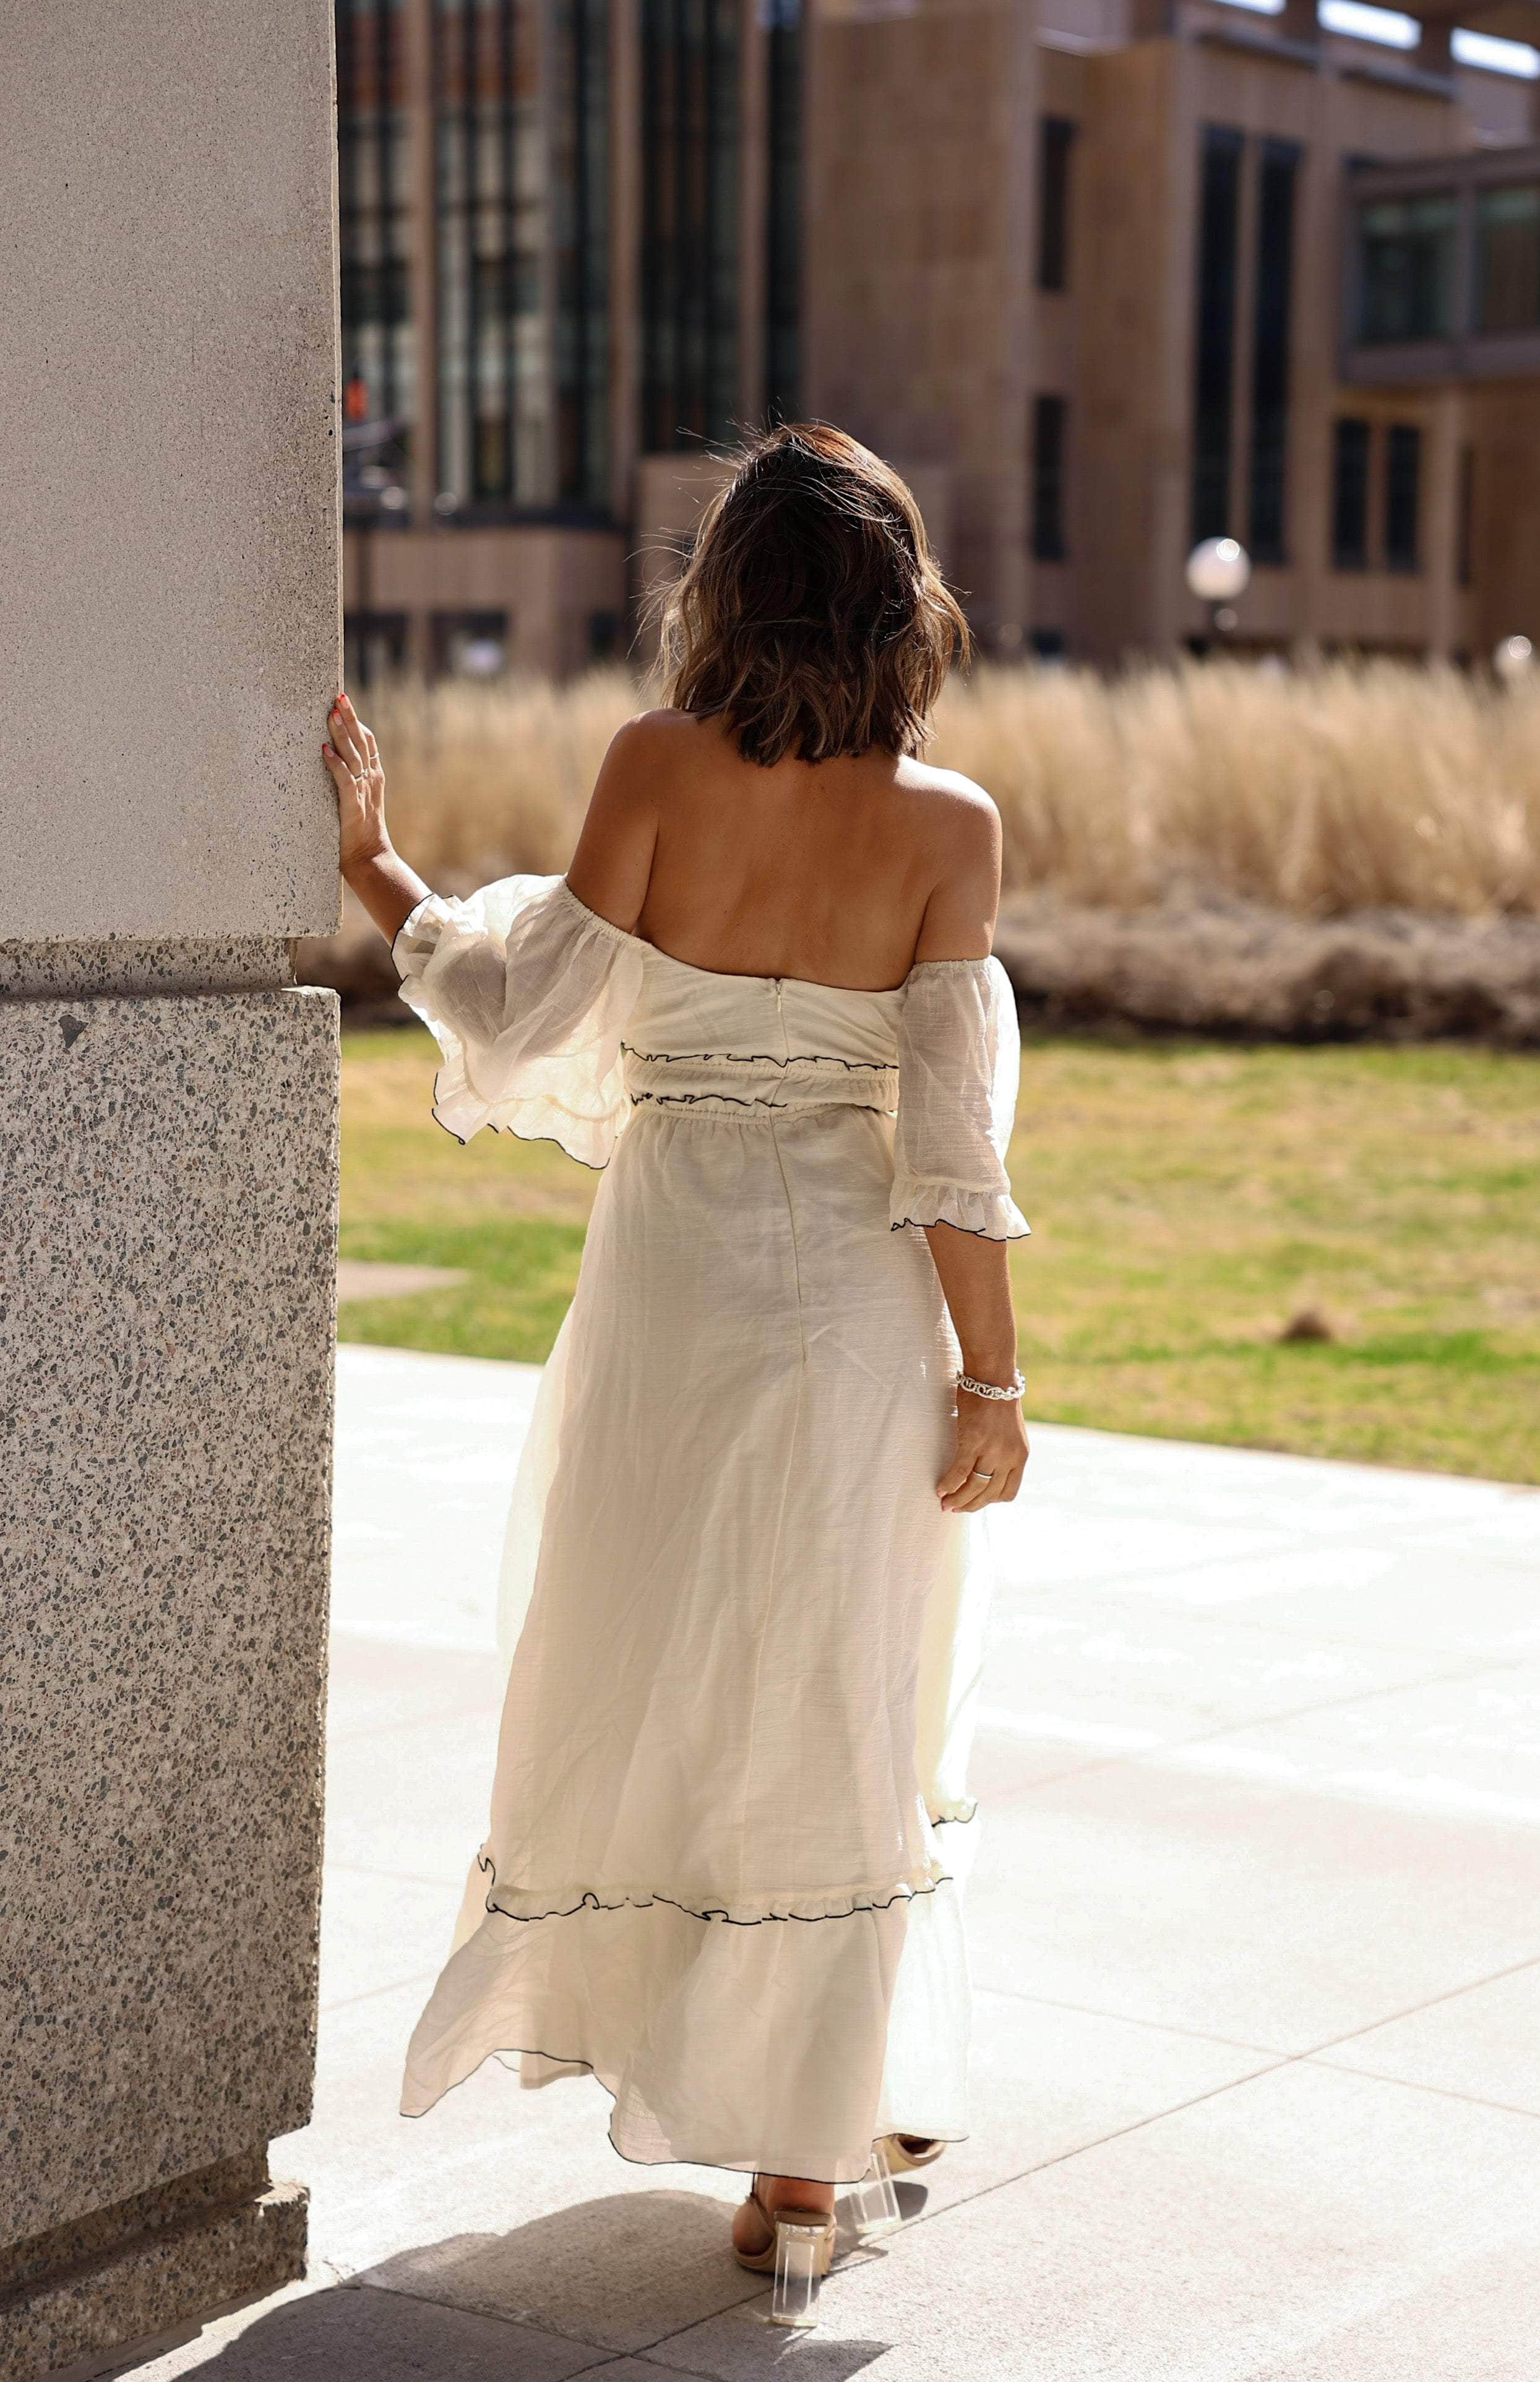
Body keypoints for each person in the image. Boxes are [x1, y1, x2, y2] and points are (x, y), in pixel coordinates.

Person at [324, 421, 1030, 2284]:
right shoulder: (949, 826)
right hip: (860, 1310)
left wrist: (382, 872)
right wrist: (992, 1382)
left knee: (665, 1669)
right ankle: (806, 2170)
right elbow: (953, 1145)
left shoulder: (654, 764)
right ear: (900, 607)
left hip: (676, 1286)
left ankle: (720, 2069)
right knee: (839, 1690)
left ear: (723, 594)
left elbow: (522, 1006)